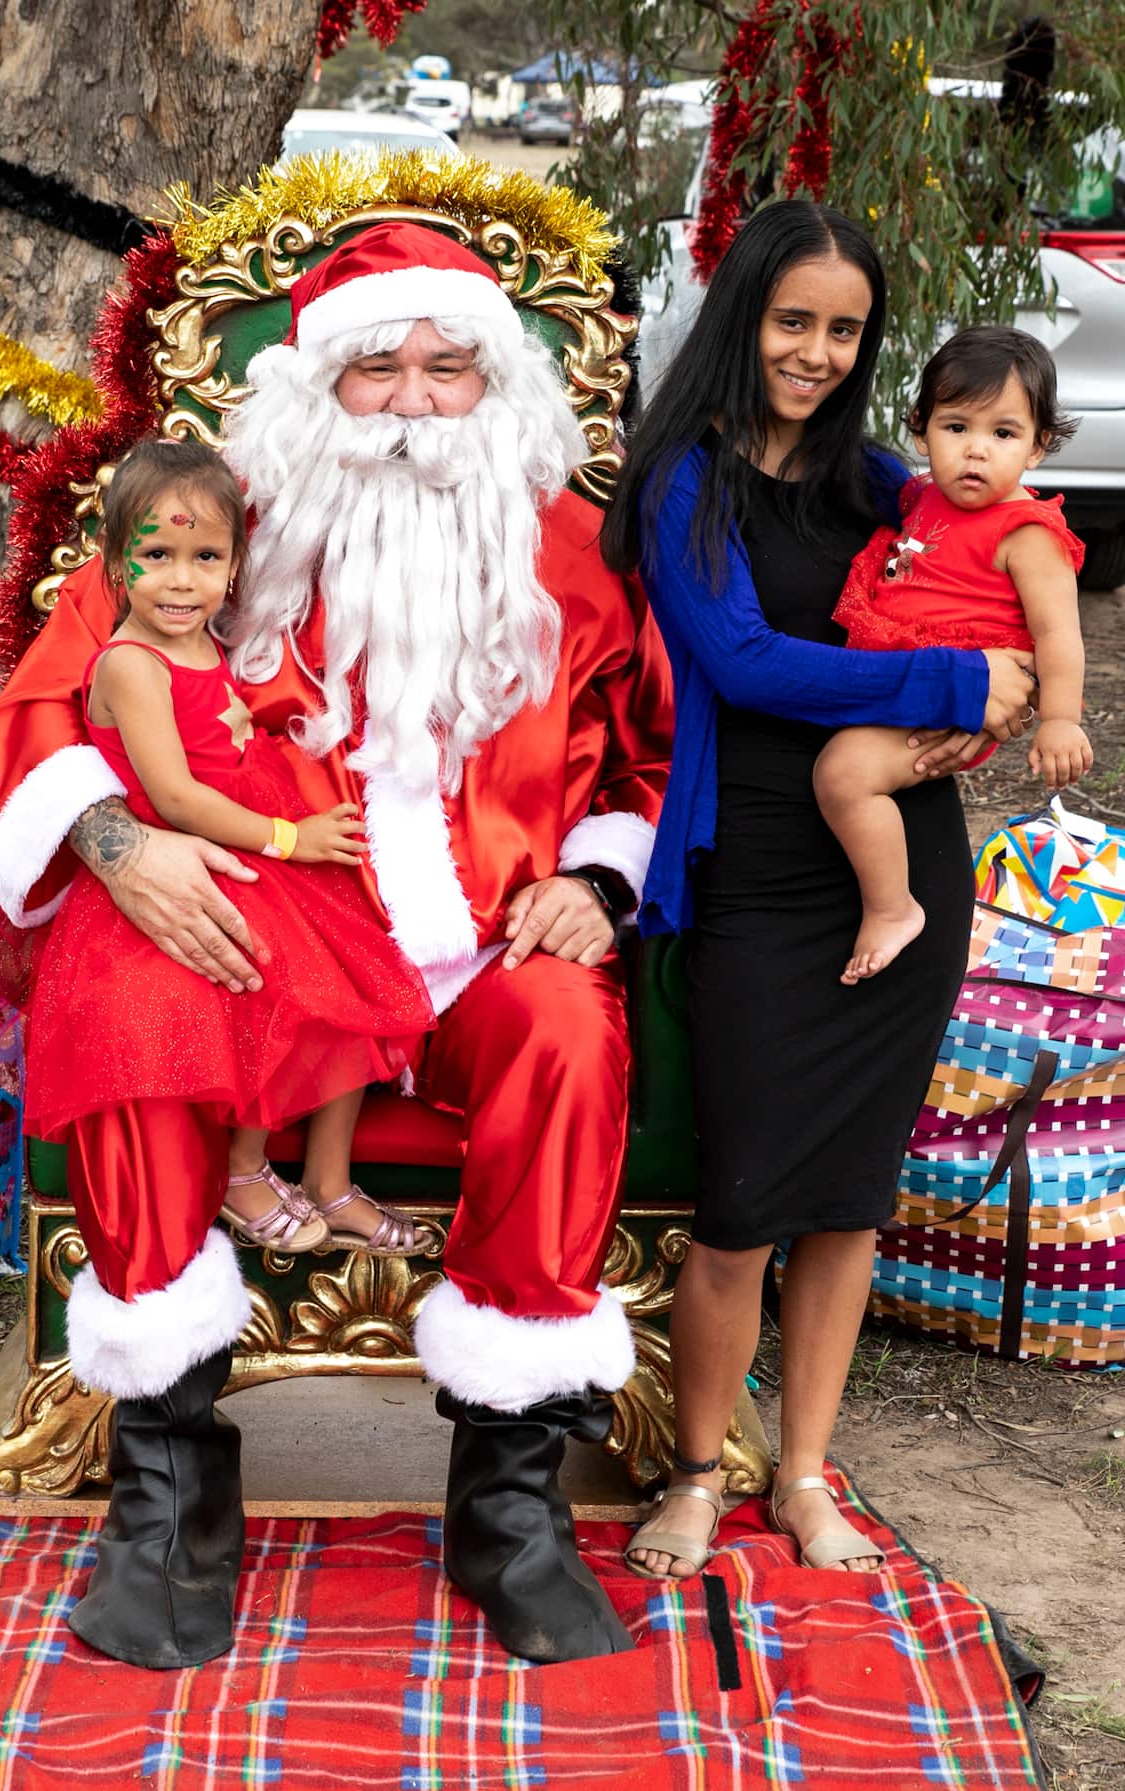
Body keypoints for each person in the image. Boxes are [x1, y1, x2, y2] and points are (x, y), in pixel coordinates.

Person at [0, 220, 672, 1666]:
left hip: (482, 944)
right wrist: (125, 841)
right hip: (268, 937)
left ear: (502, 382)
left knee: (565, 1025)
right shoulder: (207, 528)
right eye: (375, 367)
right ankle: (170, 1482)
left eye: (448, 363)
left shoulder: (576, 556)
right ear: (311, 386)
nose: (415, 397)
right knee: (149, 1000)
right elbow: (47, 711)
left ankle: (509, 1493)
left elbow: (651, 760)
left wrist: (601, 883)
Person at [601, 200, 1037, 1584]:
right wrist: (958, 684)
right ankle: (693, 1470)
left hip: (899, 865)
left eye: (845, 331)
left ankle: (800, 1474)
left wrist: (1023, 680)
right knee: (739, 1200)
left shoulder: (887, 483)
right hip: (755, 872)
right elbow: (740, 661)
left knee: (848, 1197)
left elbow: (1004, 567)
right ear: (746, 316)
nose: (817, 352)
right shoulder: (686, 477)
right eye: (795, 321)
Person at [27, 433, 436, 1265]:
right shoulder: (131, 663)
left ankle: (331, 1180)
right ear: (114, 565)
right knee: (278, 983)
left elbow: (223, 734)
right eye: (157, 554)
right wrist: (294, 836)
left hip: (246, 839)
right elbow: (175, 795)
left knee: (362, 989)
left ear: (235, 564)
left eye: (205, 555)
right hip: (192, 851)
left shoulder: (208, 641)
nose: (182, 579)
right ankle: (244, 1171)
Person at [819, 325, 1089, 984]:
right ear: (921, 429)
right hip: (910, 671)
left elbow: (1058, 633)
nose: (975, 451)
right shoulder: (921, 497)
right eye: (956, 426)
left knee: (843, 773)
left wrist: (1059, 718)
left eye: (1002, 434)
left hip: (963, 690)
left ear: (1038, 447)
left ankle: (892, 906)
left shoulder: (1026, 532)